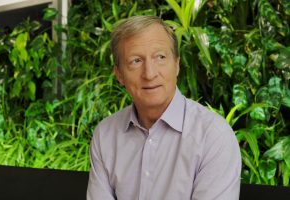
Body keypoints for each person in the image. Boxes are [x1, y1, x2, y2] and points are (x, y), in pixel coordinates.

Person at [86, 15, 241, 200]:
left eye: (160, 57)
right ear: (119, 74)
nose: (150, 74)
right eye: (136, 61)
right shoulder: (105, 135)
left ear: (177, 64)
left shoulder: (213, 137)